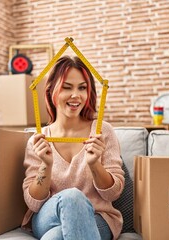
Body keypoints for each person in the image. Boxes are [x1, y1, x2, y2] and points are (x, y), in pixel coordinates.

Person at [21, 55, 125, 240]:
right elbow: (34, 204)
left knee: (53, 238)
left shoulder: (102, 131)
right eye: (67, 87)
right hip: (48, 216)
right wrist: (46, 164)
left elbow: (113, 193)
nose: (76, 95)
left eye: (82, 88)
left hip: (97, 217)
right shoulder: (38, 141)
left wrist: (95, 165)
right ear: (51, 91)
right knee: (72, 197)